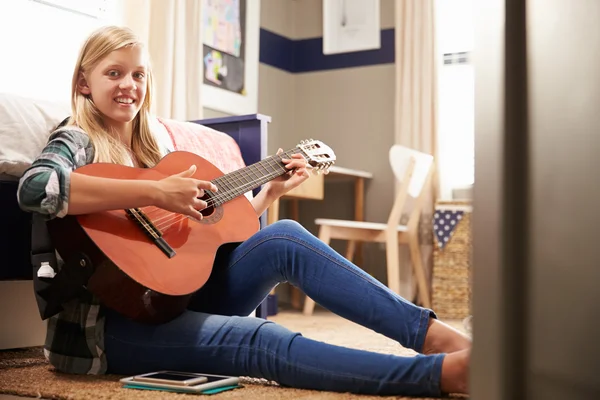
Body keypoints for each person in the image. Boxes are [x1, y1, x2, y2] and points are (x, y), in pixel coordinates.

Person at [17, 25, 471, 397]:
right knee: (261, 337)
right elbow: (36, 188)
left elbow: (193, 245)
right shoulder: (77, 138)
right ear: (84, 83)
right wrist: (156, 193)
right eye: (113, 73)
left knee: (285, 236)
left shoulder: (153, 152)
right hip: (107, 331)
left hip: (169, 301)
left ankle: (437, 339)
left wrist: (268, 194)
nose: (128, 85)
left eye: (138, 75)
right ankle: (438, 376)